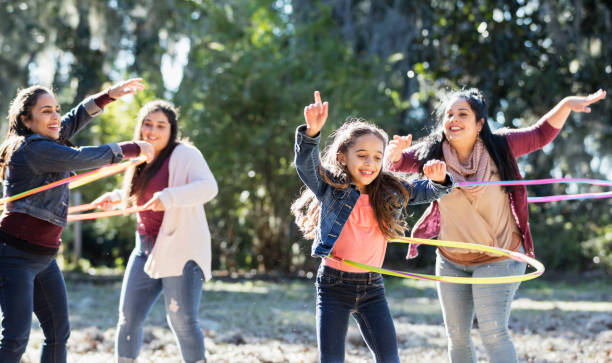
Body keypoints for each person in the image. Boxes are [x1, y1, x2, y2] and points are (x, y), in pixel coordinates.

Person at [387, 88, 606, 363]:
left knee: (492, 332)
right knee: (456, 336)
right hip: (451, 259)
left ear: (480, 124)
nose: (453, 119)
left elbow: (540, 135)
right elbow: (395, 165)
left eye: (462, 114)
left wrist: (564, 104)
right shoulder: (431, 152)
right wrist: (393, 153)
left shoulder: (499, 146)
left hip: (500, 255)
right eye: (449, 114)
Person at [291, 91, 453, 362]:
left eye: (377, 157)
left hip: (372, 287)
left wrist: (440, 180)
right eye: (362, 155)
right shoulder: (332, 187)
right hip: (334, 286)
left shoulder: (391, 190)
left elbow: (425, 191)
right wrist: (312, 134)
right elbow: (306, 166)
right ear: (343, 157)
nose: (370, 163)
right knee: (331, 359)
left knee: (390, 359)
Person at [0, 78, 154, 363]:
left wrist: (109, 95)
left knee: (59, 335)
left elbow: (75, 117)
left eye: (56, 109)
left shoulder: (49, 138)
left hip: (45, 258)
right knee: (14, 342)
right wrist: (133, 148)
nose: (55, 116)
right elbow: (81, 158)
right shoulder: (32, 149)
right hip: (14, 257)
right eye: (46, 111)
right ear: (26, 119)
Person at [93, 100, 217, 363]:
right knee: (127, 319)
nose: (152, 131)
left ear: (171, 130)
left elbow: (208, 187)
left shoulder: (186, 154)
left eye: (161, 125)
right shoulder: (139, 156)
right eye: (148, 124)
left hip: (180, 251)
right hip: (144, 250)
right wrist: (116, 197)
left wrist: (170, 197)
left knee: (182, 322)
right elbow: (142, 194)